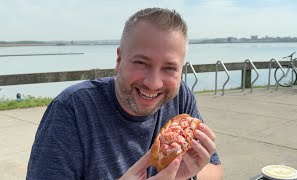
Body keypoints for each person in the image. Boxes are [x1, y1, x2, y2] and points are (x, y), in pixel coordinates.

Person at [27, 7, 222, 179]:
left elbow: (215, 171)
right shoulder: (73, 109)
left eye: (170, 68)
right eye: (141, 63)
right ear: (119, 59)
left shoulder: (180, 99)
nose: (153, 84)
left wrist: (186, 175)